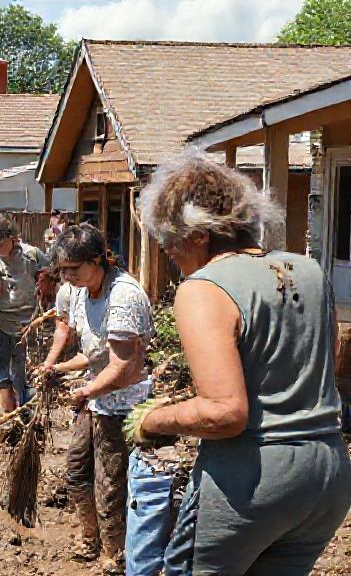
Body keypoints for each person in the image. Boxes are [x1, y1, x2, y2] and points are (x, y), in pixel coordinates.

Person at [131, 152, 351, 575]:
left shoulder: (204, 288)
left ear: (197, 235)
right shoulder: (307, 271)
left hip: (252, 481)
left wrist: (154, 421)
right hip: (327, 476)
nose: (171, 257)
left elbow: (224, 413)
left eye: (170, 244)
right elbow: (329, 365)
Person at [47, 223, 153, 573]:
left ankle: (114, 553)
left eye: (73, 269)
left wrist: (85, 390)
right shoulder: (81, 291)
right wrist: (59, 368)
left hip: (123, 403)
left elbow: (124, 367)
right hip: (96, 397)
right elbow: (94, 354)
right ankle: (89, 535)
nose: (67, 277)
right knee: (77, 470)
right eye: (62, 270)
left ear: (97, 260)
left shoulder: (122, 295)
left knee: (110, 482)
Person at [0, 214, 49, 413]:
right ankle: (8, 413)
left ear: (12, 237)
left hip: (28, 324)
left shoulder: (32, 255)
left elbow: (48, 281)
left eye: (1, 245)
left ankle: (24, 415)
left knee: (23, 374)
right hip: (0, 322)